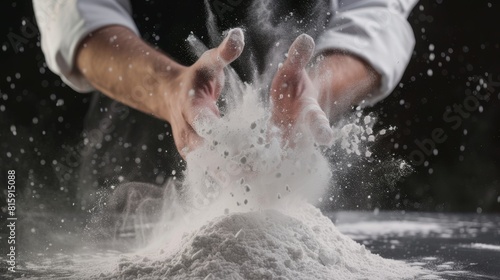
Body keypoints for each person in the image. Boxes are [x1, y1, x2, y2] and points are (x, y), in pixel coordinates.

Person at [32, 0, 418, 211]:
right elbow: (76, 13)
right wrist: (169, 89)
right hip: (130, 167)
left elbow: (376, 14)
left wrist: (318, 85)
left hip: (292, 214)